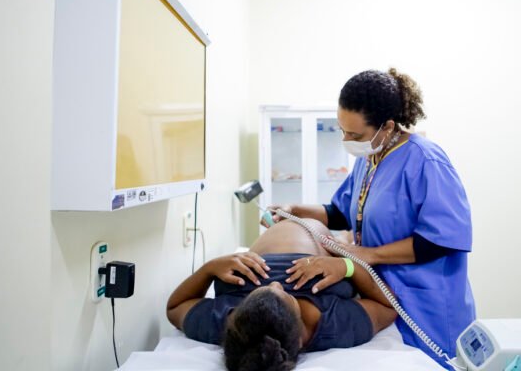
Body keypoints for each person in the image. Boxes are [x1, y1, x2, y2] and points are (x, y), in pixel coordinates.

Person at [262, 68, 475, 368]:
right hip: (382, 298)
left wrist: (366, 255)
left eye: (355, 135)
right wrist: (295, 210)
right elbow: (342, 212)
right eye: (342, 130)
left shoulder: (426, 161)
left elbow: (441, 241)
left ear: (387, 126)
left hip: (427, 306)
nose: (346, 139)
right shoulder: (369, 160)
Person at [167, 217, 397, 371]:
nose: (277, 284)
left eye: (259, 291)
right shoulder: (334, 323)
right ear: (300, 338)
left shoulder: (233, 325)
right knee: (343, 241)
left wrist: (209, 269)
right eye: (285, 295)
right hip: (325, 244)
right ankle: (345, 238)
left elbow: (175, 307)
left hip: (279, 228)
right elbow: (388, 306)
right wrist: (347, 266)